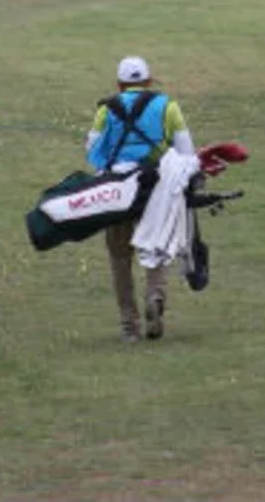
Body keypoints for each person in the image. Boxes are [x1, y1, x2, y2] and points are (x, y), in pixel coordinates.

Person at [86, 55, 195, 342]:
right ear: (148, 81)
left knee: (120, 258)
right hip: (155, 187)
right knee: (156, 247)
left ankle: (129, 326)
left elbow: (93, 151)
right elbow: (186, 151)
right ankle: (155, 296)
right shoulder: (168, 107)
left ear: (119, 85)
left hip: (117, 191)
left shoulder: (106, 109)